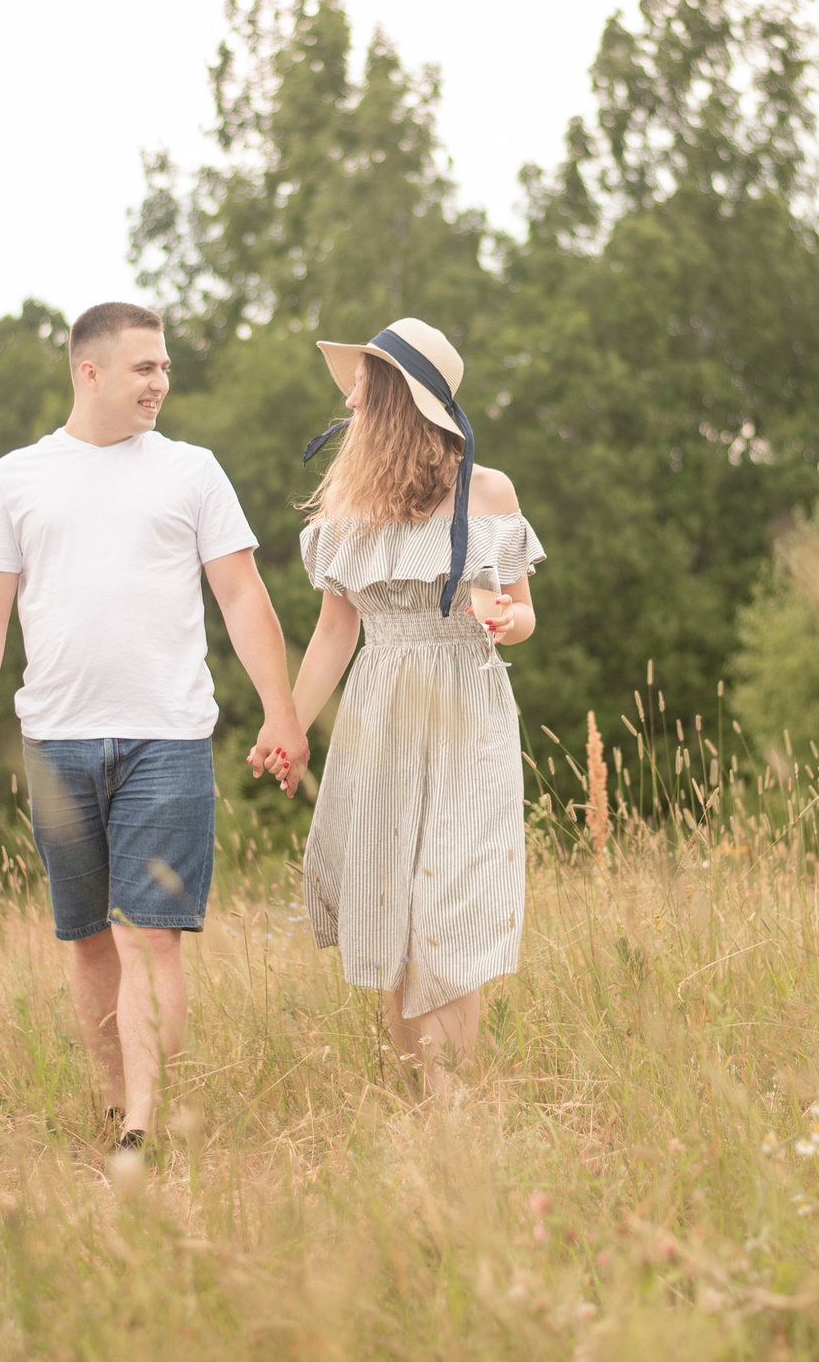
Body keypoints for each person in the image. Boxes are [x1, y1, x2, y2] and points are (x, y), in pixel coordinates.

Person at [0, 301, 305, 1156]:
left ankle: (143, 1120)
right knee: (87, 938)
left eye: (166, 366)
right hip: (56, 739)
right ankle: (113, 1103)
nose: (161, 382)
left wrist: (281, 710)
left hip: (167, 737)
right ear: (89, 372)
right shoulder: (17, 477)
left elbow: (244, 596)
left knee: (153, 934)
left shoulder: (193, 472)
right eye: (145, 367)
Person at [273, 317, 542, 1098]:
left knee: (450, 908)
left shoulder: (488, 491)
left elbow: (524, 614)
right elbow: (333, 634)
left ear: (395, 397)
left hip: (466, 706)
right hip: (382, 708)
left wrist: (501, 617)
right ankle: (428, 1108)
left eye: (363, 382)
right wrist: (288, 726)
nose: (350, 399)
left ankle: (454, 1110)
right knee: (392, 906)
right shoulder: (347, 507)